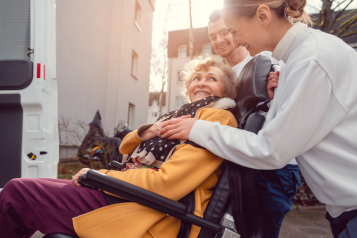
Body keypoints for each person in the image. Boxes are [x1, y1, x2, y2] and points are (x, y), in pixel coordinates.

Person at [159, 1, 357, 238]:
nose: (235, 40)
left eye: (233, 31)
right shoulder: (299, 59)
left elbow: (271, 149)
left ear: (262, 16)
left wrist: (198, 128)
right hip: (342, 211)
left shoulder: (311, 59)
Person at [0, 56, 241, 238]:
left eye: (212, 78)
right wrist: (151, 130)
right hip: (129, 193)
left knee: (15, 193)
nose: (201, 83)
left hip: (150, 211)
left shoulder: (216, 118)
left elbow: (167, 184)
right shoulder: (181, 115)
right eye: (196, 78)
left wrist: (100, 176)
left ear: (226, 90)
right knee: (16, 191)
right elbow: (126, 148)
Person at [208, 9, 300, 238]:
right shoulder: (222, 76)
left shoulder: (266, 62)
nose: (219, 40)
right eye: (212, 36)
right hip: (243, 163)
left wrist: (278, 94)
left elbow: (296, 108)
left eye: (225, 32)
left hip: (274, 167)